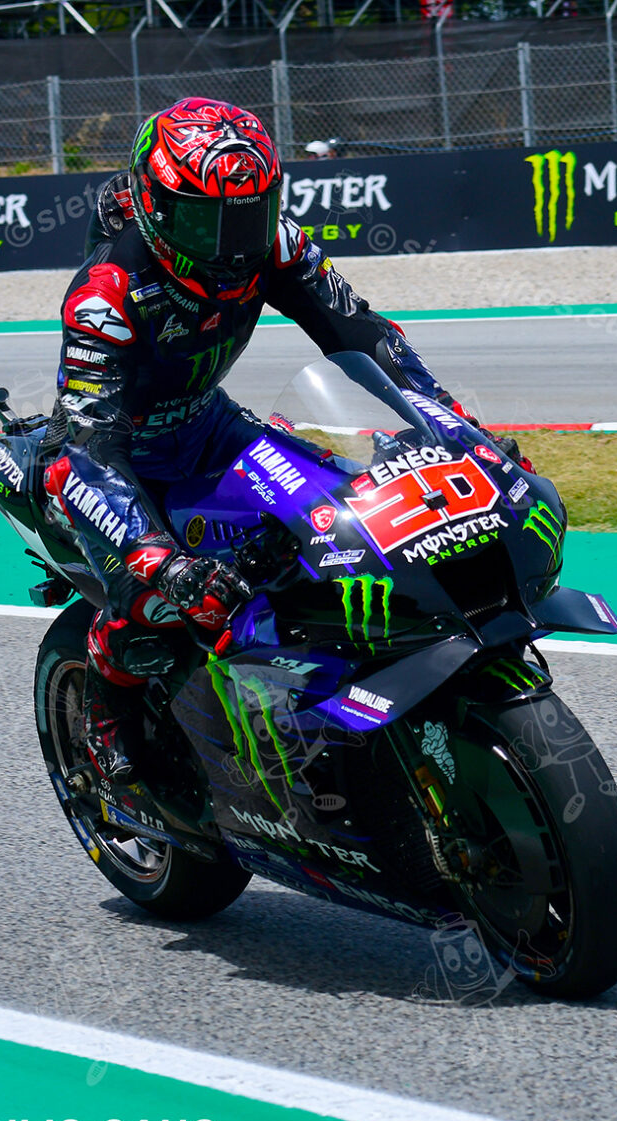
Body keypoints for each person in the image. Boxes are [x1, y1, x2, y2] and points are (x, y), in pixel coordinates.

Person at [43, 96, 485, 786]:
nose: (230, 241)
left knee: (351, 520)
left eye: (246, 214)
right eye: (203, 219)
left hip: (209, 426)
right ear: (155, 206)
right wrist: (156, 557)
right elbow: (89, 445)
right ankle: (107, 710)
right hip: (121, 466)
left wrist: (453, 424)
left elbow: (359, 332)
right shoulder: (107, 294)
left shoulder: (275, 243)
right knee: (162, 602)